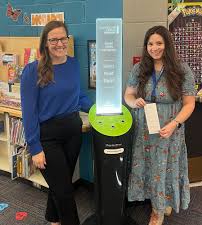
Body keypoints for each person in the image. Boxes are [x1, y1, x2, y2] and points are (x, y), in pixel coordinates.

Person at [20, 20, 92, 225]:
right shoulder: (32, 70)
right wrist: (34, 147)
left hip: (72, 131)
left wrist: (97, 110)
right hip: (48, 137)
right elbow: (29, 112)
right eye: (54, 39)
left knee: (61, 184)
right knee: (65, 191)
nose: (59, 43)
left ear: (67, 40)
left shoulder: (73, 64)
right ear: (45, 42)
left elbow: (78, 97)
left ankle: (53, 219)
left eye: (63, 38)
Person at [124, 26, 196, 225]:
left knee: (166, 166)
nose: (154, 48)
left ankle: (161, 207)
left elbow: (189, 104)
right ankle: (158, 205)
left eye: (159, 43)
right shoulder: (140, 69)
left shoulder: (182, 70)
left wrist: (174, 124)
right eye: (150, 44)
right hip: (145, 129)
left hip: (170, 129)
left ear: (167, 45)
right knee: (149, 165)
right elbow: (128, 95)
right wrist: (133, 102)